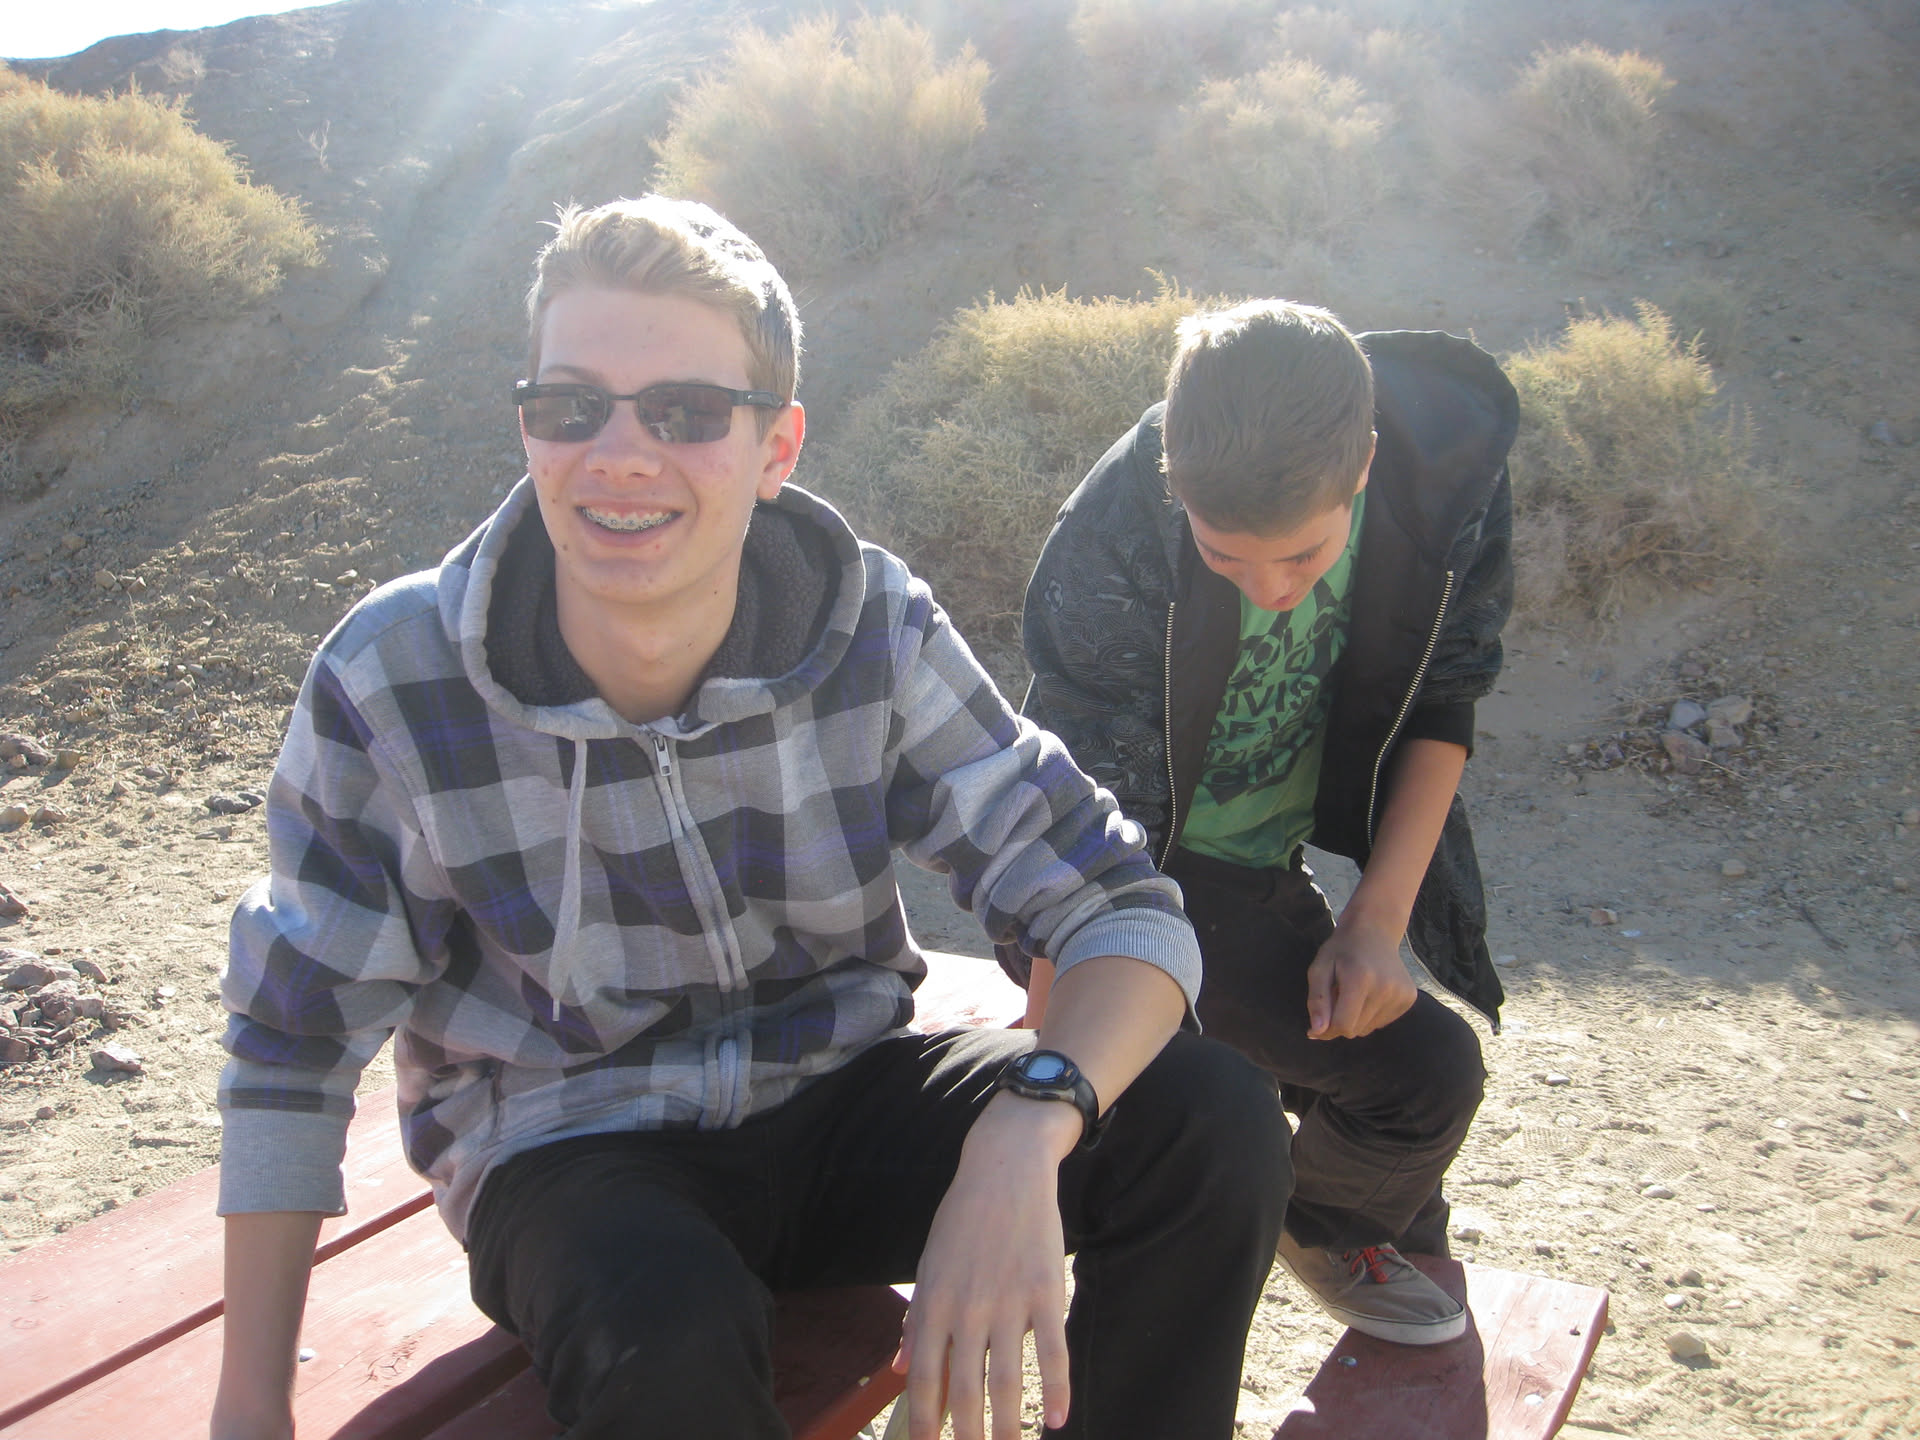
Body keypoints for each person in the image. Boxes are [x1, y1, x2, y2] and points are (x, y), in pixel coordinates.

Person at [208, 196, 1288, 1440]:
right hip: (573, 1152)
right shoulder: (396, 676)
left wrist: (1028, 1126)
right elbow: (292, 1040)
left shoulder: (868, 626)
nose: (620, 454)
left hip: (842, 1094)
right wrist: (251, 1405)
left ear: (778, 447)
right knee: (663, 1331)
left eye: (684, 412)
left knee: (1212, 1121)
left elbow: (1115, 902)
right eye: (571, 406)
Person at [1010, 299, 1517, 1348]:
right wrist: (1062, 1051)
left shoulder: (1447, 478)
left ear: (1365, 462)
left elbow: (1444, 701)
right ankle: (1310, 1228)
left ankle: (1343, 1235)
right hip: (1125, 875)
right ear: (1175, 487)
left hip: (1261, 864)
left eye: (1302, 556)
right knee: (1424, 1080)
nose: (1273, 591)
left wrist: (1375, 923)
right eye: (1225, 557)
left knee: (1400, 1165)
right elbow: (1078, 813)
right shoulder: (1111, 535)